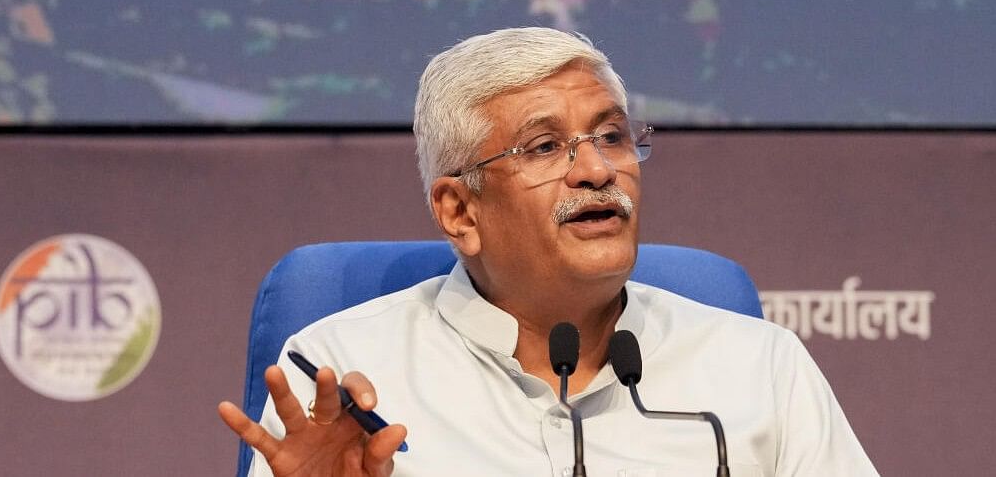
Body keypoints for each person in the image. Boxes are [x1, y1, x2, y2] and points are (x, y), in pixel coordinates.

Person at [218, 27, 878, 476]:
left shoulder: (761, 365)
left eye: (613, 136)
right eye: (544, 147)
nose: (596, 169)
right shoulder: (338, 371)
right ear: (459, 210)